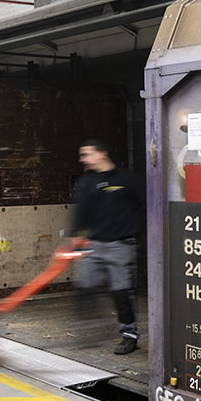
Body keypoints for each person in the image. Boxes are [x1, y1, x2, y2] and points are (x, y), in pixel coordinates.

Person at [69, 139, 144, 355]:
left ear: (102, 154)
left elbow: (144, 205)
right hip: (93, 245)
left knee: (121, 292)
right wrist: (74, 236)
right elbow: (80, 212)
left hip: (121, 245)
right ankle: (91, 328)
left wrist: (139, 232)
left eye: (87, 154)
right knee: (85, 284)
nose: (83, 159)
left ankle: (129, 335)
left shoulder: (126, 179)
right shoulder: (86, 182)